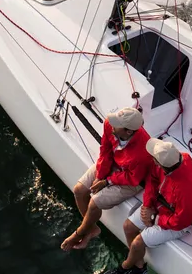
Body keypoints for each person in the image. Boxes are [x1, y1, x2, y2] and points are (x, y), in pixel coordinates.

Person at [102, 139, 192, 274]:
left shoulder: (187, 190)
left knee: (137, 243)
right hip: (160, 206)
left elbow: (181, 221)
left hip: (179, 222)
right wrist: (147, 206)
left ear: (162, 164)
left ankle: (124, 266)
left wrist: (155, 217)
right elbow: (152, 179)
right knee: (128, 227)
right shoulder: (177, 160)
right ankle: (139, 267)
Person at [61, 106, 151, 251]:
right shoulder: (110, 124)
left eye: (117, 124)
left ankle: (80, 232)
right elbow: (105, 149)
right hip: (114, 164)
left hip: (132, 179)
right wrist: (101, 175)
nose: (111, 123)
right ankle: (92, 229)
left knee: (94, 203)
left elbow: (133, 178)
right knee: (79, 190)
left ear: (128, 131)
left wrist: (107, 181)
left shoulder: (143, 152)